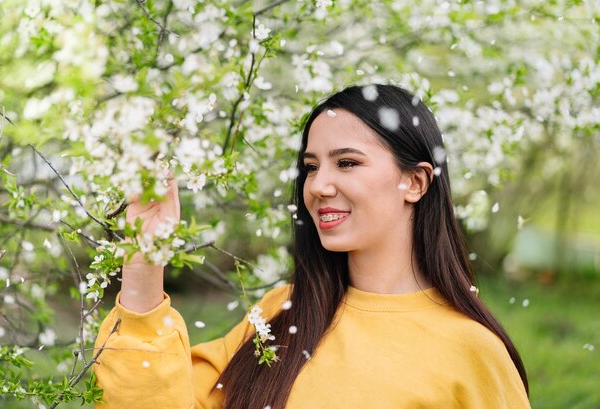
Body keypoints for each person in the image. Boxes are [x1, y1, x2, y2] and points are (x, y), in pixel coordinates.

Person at [93, 84, 531, 409]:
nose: (318, 186)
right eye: (310, 166)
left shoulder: (472, 351)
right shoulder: (280, 313)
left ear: (413, 182)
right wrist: (144, 263)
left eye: (347, 163)